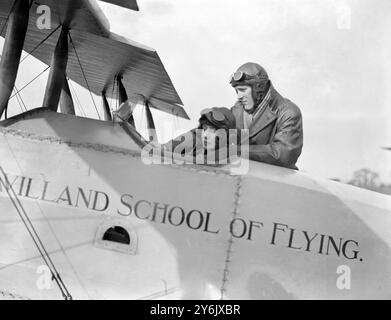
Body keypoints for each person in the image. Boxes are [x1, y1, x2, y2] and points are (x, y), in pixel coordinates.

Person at [230, 62, 303, 169]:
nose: (239, 96)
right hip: (242, 177)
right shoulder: (237, 110)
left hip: (276, 181)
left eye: (243, 90)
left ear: (259, 88)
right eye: (236, 91)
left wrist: (238, 150)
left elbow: (284, 154)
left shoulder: (288, 112)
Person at [165, 107, 237, 163]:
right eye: (204, 128)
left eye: (213, 131)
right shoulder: (195, 147)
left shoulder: (232, 158)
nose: (206, 135)